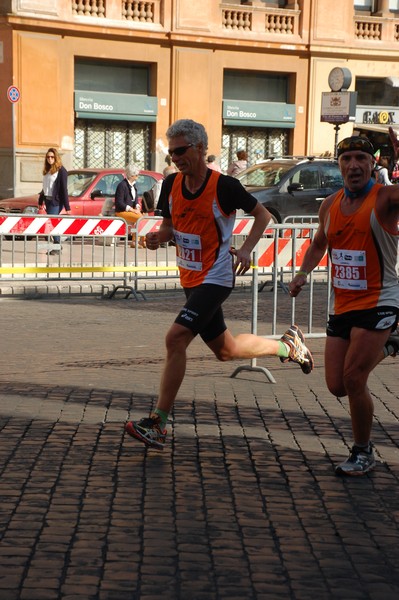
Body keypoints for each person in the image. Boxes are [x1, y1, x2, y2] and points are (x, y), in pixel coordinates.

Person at [125, 118, 314, 450]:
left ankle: (158, 422)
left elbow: (263, 216)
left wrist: (244, 249)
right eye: (171, 153)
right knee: (226, 350)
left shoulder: (224, 186)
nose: (175, 158)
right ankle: (288, 347)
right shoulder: (170, 184)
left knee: (175, 338)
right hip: (190, 277)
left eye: (181, 150)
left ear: (200, 148)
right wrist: (157, 237)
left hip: (217, 276)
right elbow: (169, 227)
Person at [289, 133, 399, 477]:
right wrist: (303, 273)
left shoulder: (384, 199)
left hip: (380, 300)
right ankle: (393, 343)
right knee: (336, 385)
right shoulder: (330, 204)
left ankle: (363, 452)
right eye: (346, 159)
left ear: (372, 164)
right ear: (339, 166)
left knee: (354, 379)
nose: (353, 165)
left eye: (360, 159)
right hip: (343, 303)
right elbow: (320, 242)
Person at [38, 148, 70, 255]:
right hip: (47, 200)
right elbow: (45, 188)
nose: (50, 159)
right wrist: (40, 201)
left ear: (56, 158)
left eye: (52, 157)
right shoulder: (47, 170)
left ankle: (57, 246)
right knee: (51, 223)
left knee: (53, 223)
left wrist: (67, 207)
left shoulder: (61, 171)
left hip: (56, 202)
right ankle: (56, 246)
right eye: (48, 157)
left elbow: (64, 189)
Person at [114, 163, 143, 247]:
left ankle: (141, 240)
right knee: (140, 219)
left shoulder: (134, 185)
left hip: (131, 210)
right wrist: (132, 209)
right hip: (121, 211)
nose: (138, 177)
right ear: (131, 176)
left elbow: (135, 199)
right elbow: (119, 202)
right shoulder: (122, 185)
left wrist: (137, 206)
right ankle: (135, 241)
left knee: (144, 217)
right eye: (136, 175)